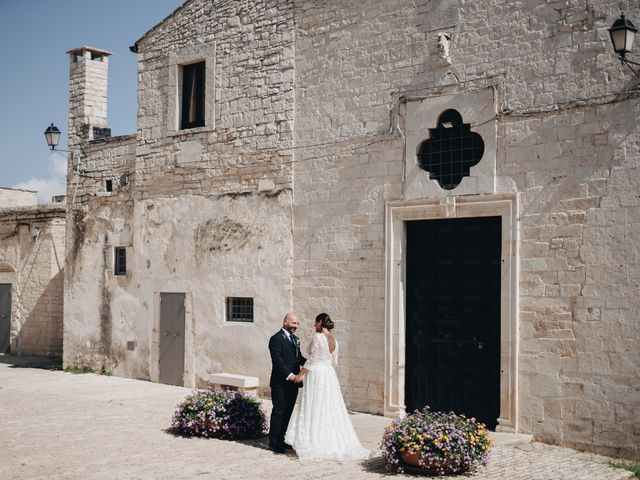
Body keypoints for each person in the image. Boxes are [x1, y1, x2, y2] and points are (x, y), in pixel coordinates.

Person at [285, 313, 370, 462]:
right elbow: (333, 361)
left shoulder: (318, 337)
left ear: (319, 323)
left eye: (315, 323)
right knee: (328, 406)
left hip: (317, 374)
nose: (314, 326)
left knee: (315, 405)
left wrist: (300, 375)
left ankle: (313, 440)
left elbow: (312, 359)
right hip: (329, 374)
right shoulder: (335, 341)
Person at [268, 312, 306, 454]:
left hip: (294, 383)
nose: (295, 326)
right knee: (279, 411)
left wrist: (313, 362)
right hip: (280, 382)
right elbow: (278, 361)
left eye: (297, 324)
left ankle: (282, 439)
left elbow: (299, 358)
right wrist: (291, 376)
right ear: (285, 321)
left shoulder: (296, 340)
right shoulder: (275, 339)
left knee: (288, 411)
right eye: (293, 323)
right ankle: (273, 442)